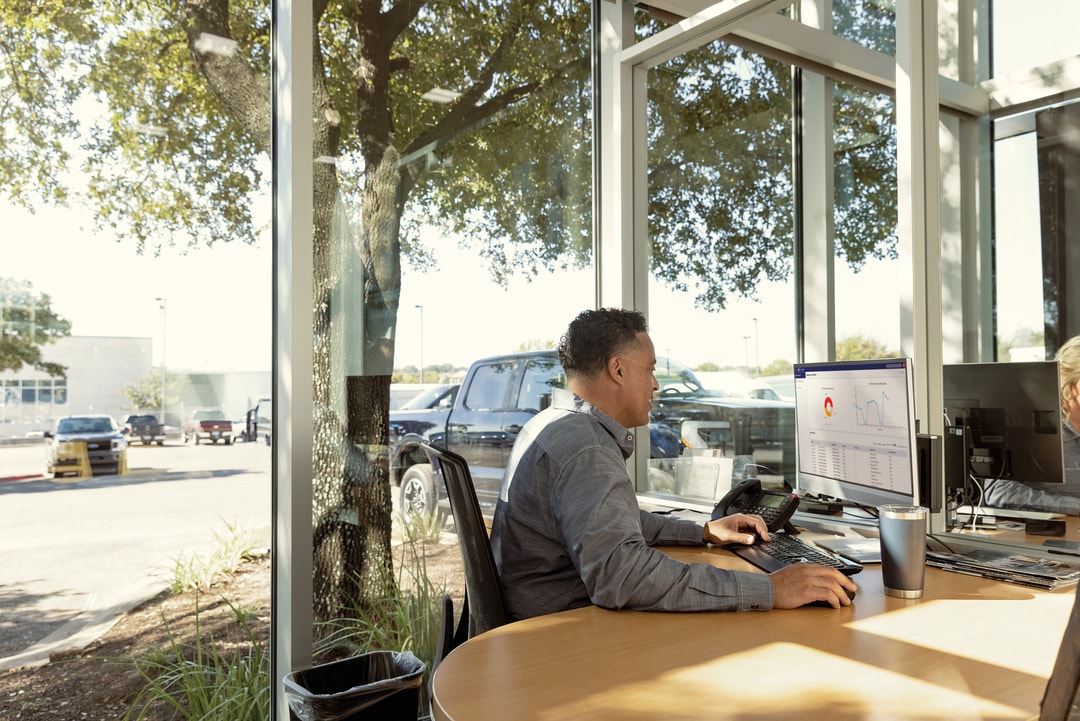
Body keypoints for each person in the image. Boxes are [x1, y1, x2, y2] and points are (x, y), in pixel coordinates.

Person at [489, 308, 857, 620]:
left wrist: (704, 532)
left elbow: (614, 521)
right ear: (617, 370)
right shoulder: (589, 449)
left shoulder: (552, 424)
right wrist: (770, 588)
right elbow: (624, 577)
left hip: (536, 619)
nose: (655, 385)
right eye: (649, 370)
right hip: (561, 631)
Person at [984, 335, 1080, 515]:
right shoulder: (1033, 427)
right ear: (1070, 382)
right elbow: (999, 492)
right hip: (1052, 531)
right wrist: (1074, 506)